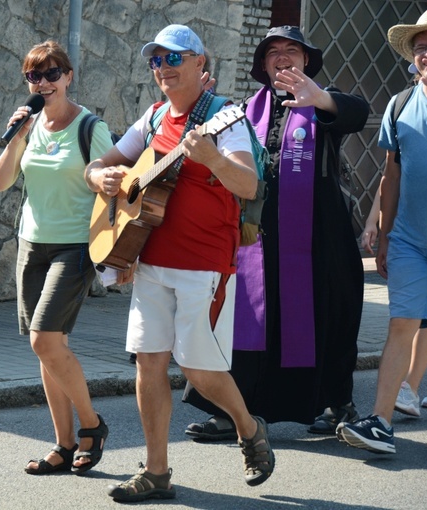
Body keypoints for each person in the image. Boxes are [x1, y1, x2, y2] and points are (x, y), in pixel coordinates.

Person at [85, 24, 273, 501]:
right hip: (150, 259)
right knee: (148, 364)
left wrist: (211, 158)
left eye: (174, 58)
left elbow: (249, 186)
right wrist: (102, 179)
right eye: (156, 60)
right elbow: (99, 165)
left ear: (199, 63)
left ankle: (250, 428)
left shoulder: (225, 118)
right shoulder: (151, 118)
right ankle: (157, 471)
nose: (163, 68)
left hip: (204, 263)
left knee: (198, 371)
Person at [184, 25, 368, 442]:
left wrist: (318, 97)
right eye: (273, 52)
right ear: (263, 65)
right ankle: (229, 411)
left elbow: (358, 112)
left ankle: (335, 403)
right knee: (243, 323)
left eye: (292, 51)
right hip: (258, 237)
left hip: (319, 238)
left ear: (306, 62)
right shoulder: (244, 110)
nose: (282, 57)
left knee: (332, 317)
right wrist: (201, 104)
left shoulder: (325, 103)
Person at [338, 6, 427, 454]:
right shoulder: (399, 104)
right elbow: (390, 176)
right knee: (401, 324)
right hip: (411, 239)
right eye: (420, 49)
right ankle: (381, 420)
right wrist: (387, 233)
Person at [0, 40, 113, 476]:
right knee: (47, 348)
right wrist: (18, 136)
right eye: (33, 76)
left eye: (51, 74)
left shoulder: (89, 127)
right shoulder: (30, 125)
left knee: (44, 339)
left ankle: (92, 425)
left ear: (68, 76)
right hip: (32, 243)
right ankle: (63, 444)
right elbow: (0, 182)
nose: (42, 83)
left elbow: (106, 175)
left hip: (75, 245)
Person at [362, 182, 427, 417]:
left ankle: (412, 387)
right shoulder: (402, 146)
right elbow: (389, 178)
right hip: (412, 232)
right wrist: (373, 221)